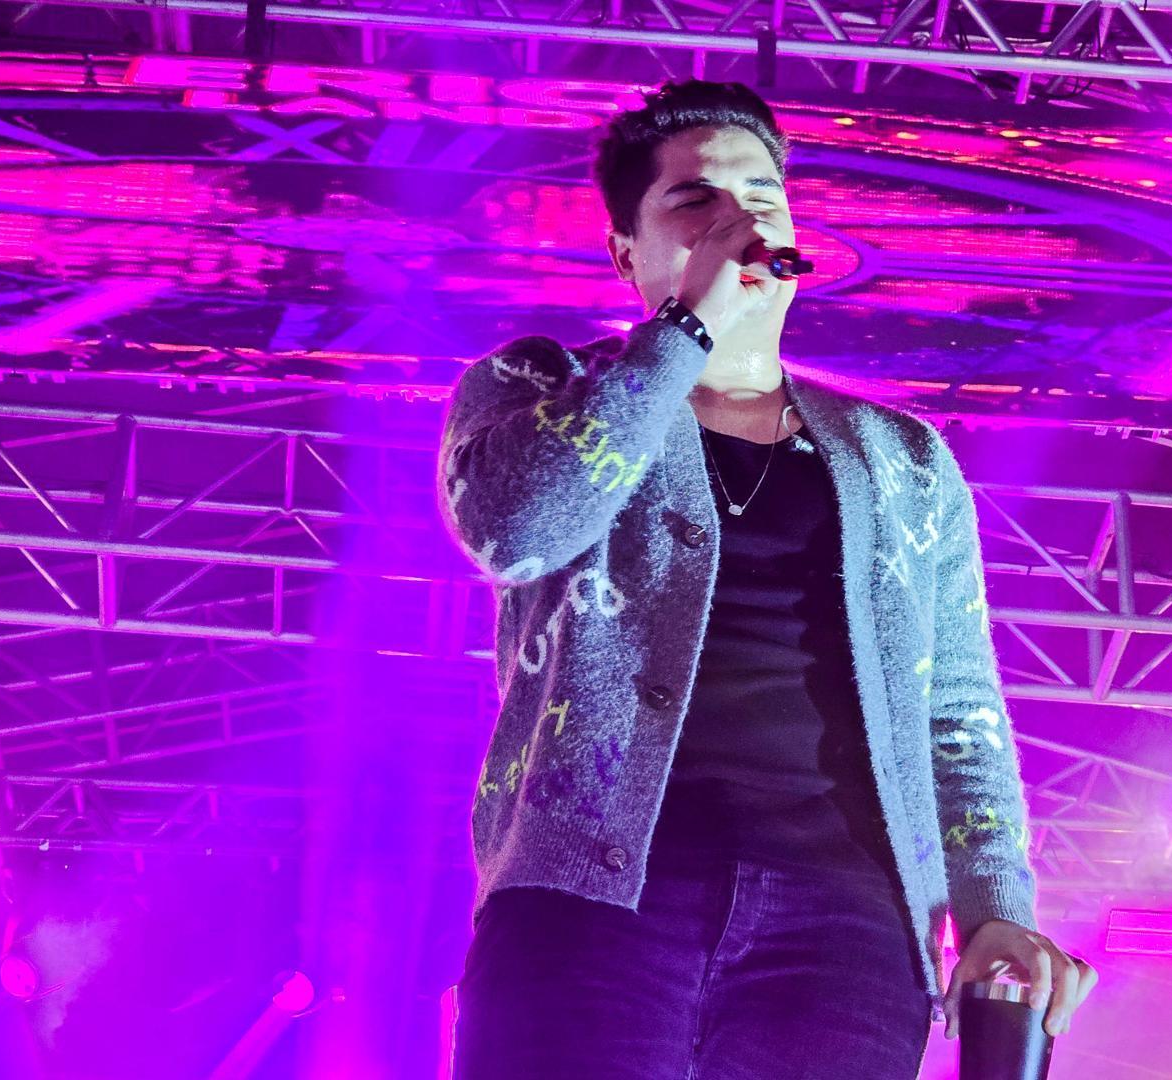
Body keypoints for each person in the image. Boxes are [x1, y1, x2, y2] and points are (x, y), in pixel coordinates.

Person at [441, 77, 1095, 1078]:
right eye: (693, 200)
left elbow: (959, 711)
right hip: (588, 899)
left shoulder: (903, 458)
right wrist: (685, 330)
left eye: (761, 197)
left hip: (845, 926)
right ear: (627, 252)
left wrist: (996, 908)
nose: (737, 222)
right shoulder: (541, 385)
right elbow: (516, 528)